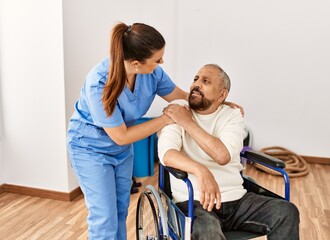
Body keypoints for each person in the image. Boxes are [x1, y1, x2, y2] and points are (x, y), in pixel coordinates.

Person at [66, 22, 189, 240]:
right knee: (104, 218)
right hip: (89, 148)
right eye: (157, 59)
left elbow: (180, 96)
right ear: (136, 63)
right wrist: (165, 118)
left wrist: (218, 103)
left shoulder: (152, 74)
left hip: (121, 151)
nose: (161, 62)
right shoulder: (99, 82)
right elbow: (121, 136)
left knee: (120, 211)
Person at [158, 64, 300, 240]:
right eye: (195, 79)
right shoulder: (179, 109)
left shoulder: (232, 115)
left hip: (236, 200)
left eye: (206, 81)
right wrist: (200, 170)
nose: (197, 84)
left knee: (286, 212)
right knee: (208, 232)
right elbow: (167, 153)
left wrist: (188, 123)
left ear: (222, 95)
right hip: (194, 202)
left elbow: (222, 155)